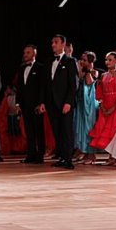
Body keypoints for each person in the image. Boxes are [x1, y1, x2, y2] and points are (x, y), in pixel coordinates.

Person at [43, 34, 77, 169]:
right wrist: (44, 102)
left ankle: (68, 160)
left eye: (56, 42)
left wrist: (68, 102)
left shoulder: (70, 61)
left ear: (63, 44)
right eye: (52, 42)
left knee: (66, 131)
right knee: (57, 131)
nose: (53, 45)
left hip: (64, 103)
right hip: (52, 103)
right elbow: (46, 84)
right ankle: (62, 157)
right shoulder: (48, 62)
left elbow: (73, 84)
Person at [14, 44, 46, 164]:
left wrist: (41, 103)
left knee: (39, 130)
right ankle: (31, 154)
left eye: (28, 52)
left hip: (36, 105)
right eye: (24, 53)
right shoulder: (22, 68)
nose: (25, 55)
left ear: (34, 54)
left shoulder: (40, 68)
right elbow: (20, 87)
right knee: (29, 131)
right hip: (25, 105)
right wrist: (18, 104)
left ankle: (40, 155)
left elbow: (42, 87)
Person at [89, 52, 116, 154]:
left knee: (114, 130)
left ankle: (115, 155)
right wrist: (102, 106)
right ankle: (110, 155)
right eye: (106, 60)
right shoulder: (103, 75)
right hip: (105, 106)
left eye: (110, 60)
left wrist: (113, 108)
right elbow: (99, 92)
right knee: (104, 130)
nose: (107, 62)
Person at [73, 52, 100, 164]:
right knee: (80, 127)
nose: (82, 62)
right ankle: (82, 150)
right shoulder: (81, 72)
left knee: (89, 127)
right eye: (81, 59)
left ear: (90, 62)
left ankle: (91, 154)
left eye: (84, 60)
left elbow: (89, 83)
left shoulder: (94, 72)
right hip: (80, 102)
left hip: (89, 103)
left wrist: (88, 70)